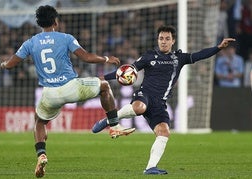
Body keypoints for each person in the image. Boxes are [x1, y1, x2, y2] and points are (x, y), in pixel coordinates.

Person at [0, 5, 135, 178]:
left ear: (39, 23)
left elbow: (10, 64)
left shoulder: (31, 42)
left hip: (49, 94)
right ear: (56, 21)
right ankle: (114, 126)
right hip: (71, 87)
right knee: (104, 86)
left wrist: (4, 64)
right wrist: (107, 59)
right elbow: (86, 57)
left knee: (39, 122)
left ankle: (41, 154)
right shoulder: (65, 38)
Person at [92, 25, 235, 175]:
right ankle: (109, 120)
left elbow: (200, 55)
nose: (164, 42)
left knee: (164, 132)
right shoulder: (149, 56)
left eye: (167, 39)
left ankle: (150, 168)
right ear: (157, 40)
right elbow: (125, 71)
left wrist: (218, 47)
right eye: (161, 38)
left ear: (173, 41)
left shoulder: (179, 58)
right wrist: (102, 78)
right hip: (144, 95)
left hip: (160, 103)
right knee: (139, 107)